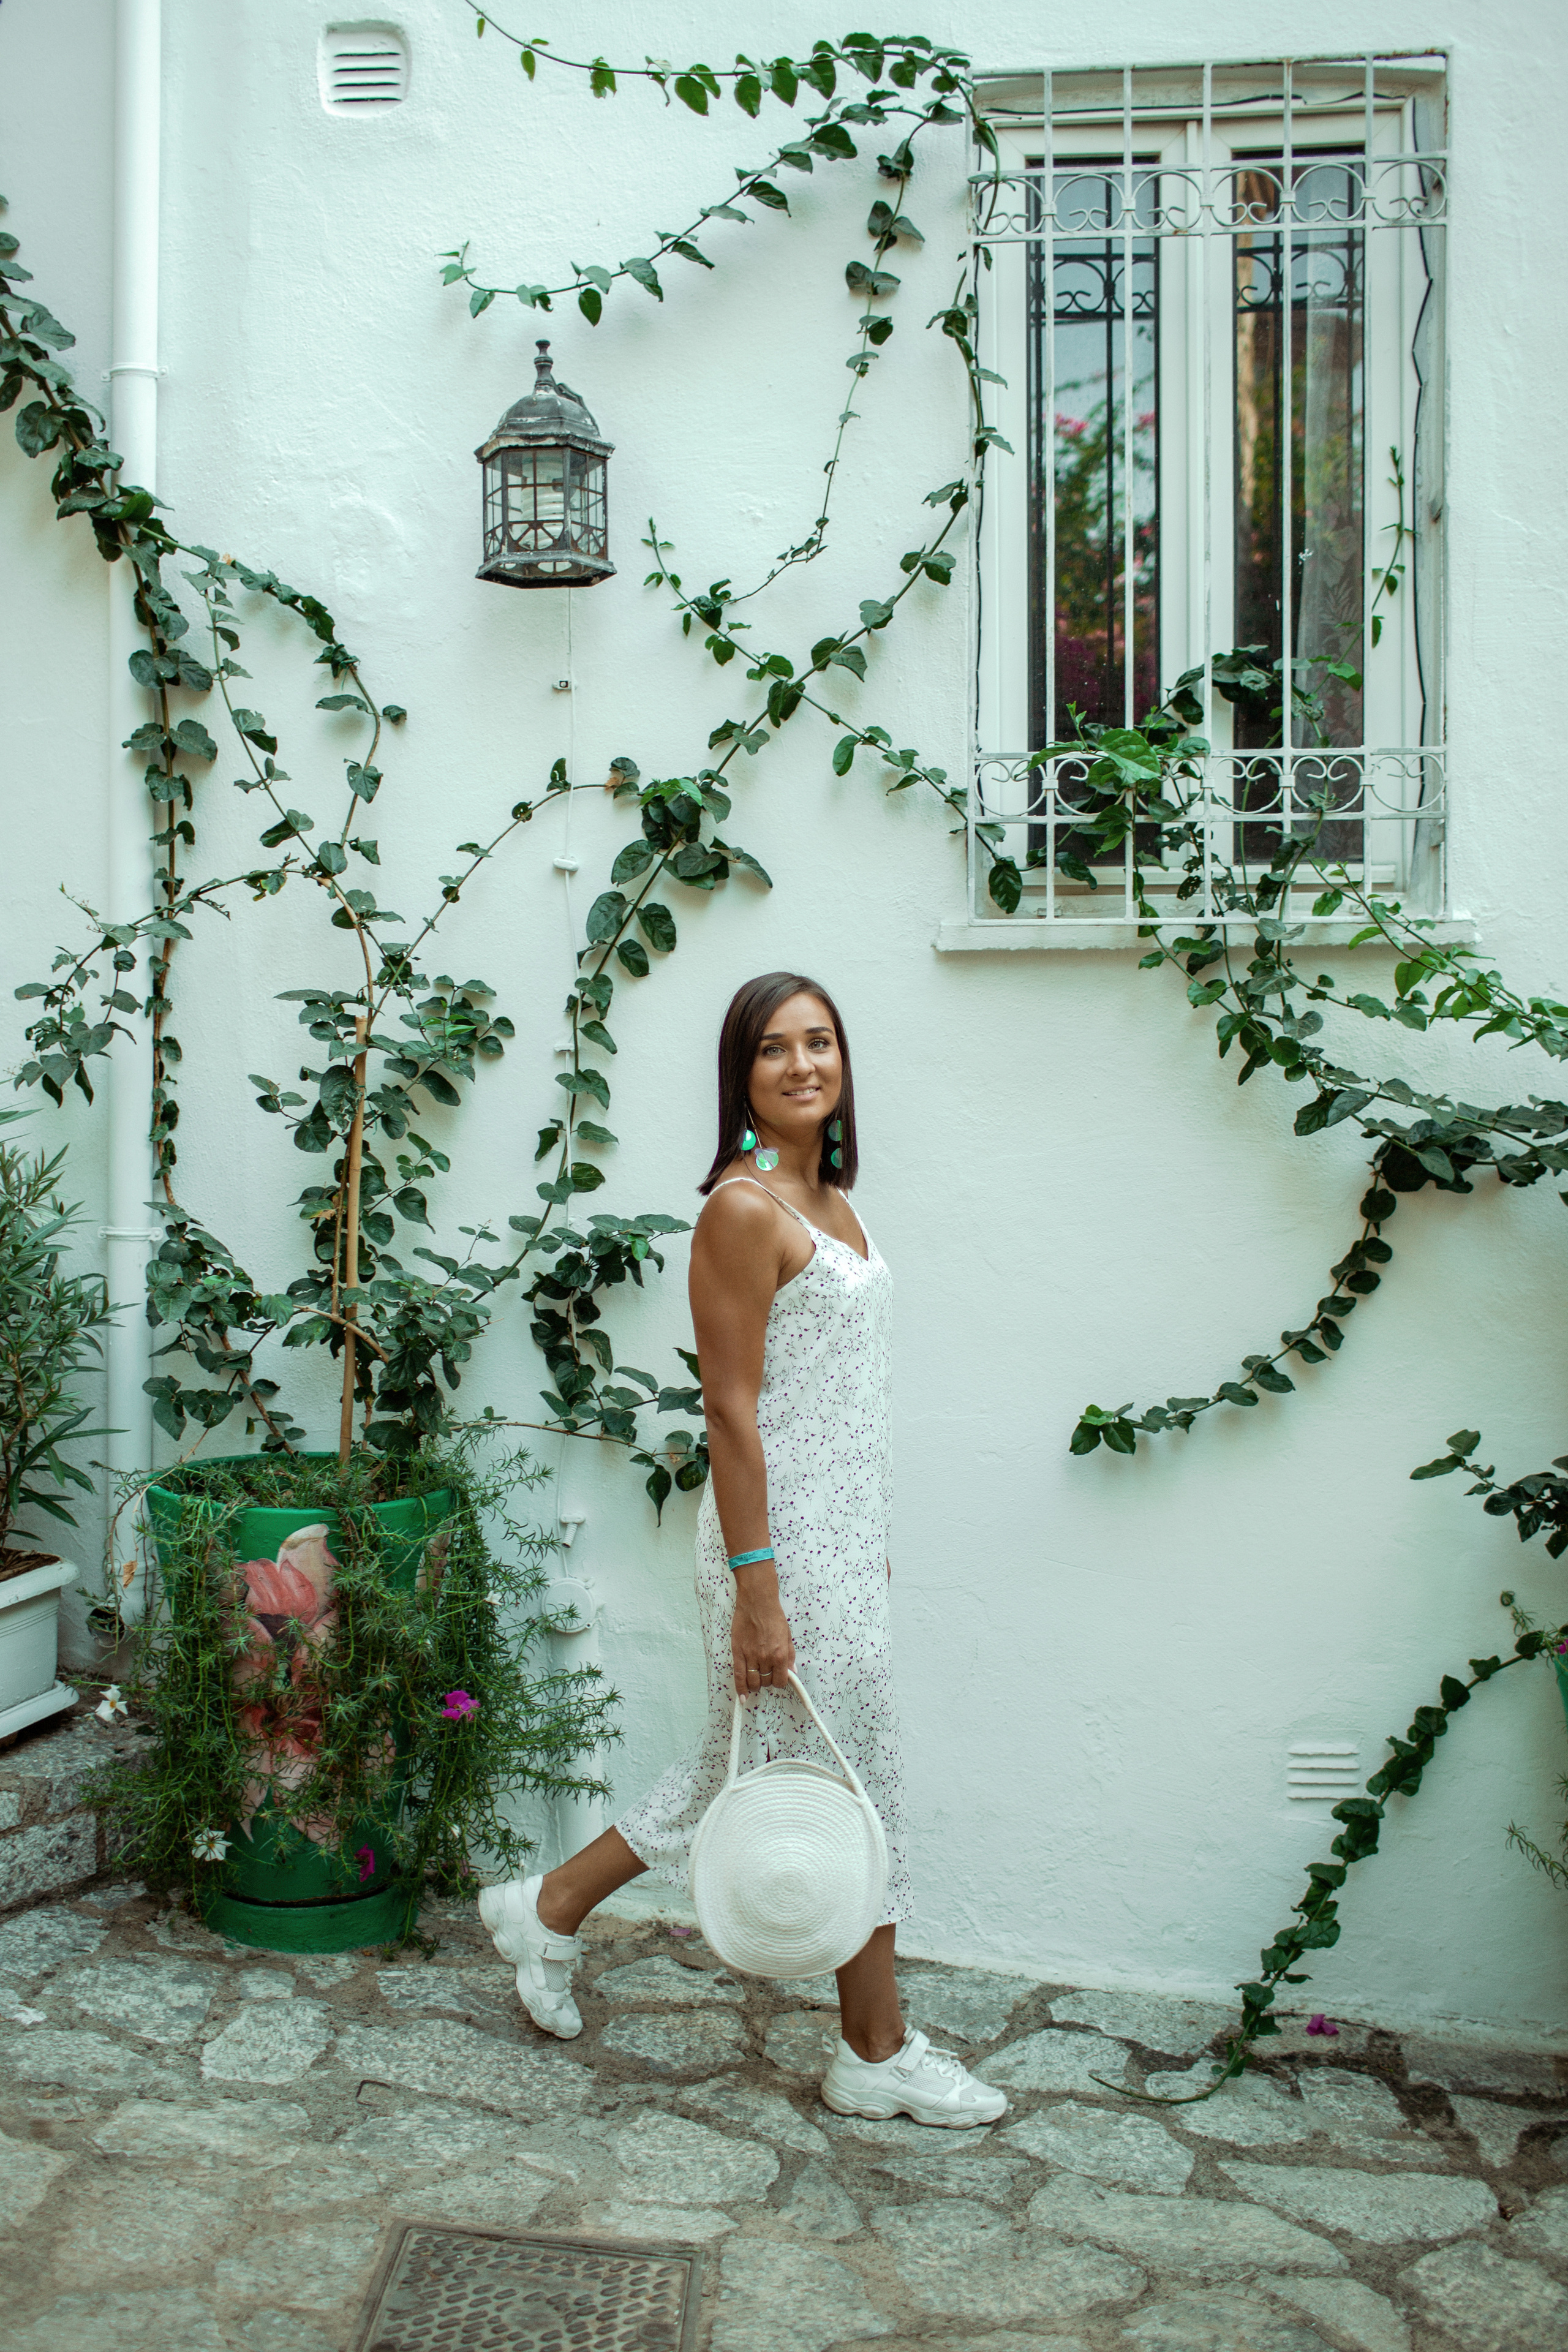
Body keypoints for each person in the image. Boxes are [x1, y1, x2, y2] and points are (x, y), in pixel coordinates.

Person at [480, 972, 1005, 2128]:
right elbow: (732, 1411)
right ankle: (874, 2049)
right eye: (776, 1050)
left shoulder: (834, 1201)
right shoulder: (742, 1211)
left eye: (822, 1042)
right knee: (849, 1779)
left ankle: (549, 1907)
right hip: (781, 1552)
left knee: (753, 1766)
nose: (804, 1064)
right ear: (743, 1077)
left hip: (837, 1544)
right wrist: (761, 1593)